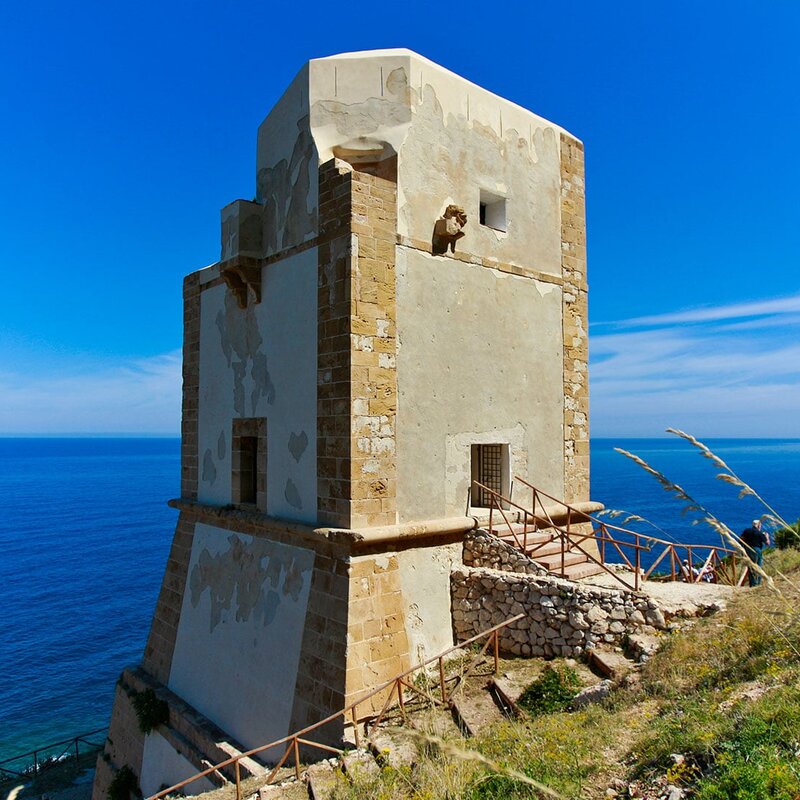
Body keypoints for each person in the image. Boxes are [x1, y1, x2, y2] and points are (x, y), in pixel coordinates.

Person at [740, 519, 770, 586]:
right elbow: (767, 543)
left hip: (747, 549)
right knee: (758, 567)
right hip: (756, 550)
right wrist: (767, 537)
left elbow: (741, 539)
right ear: (759, 525)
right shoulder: (759, 533)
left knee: (750, 567)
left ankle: (752, 583)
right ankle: (757, 583)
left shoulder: (747, 531)